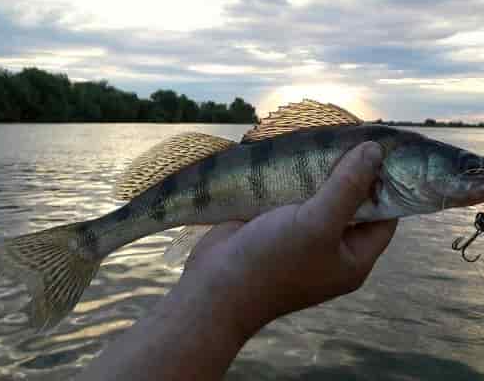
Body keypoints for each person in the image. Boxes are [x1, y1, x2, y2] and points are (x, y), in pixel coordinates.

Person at [78, 141, 399, 381]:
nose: (453, 177)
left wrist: (224, 292)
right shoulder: (372, 159)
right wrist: (237, 291)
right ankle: (83, 245)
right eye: (453, 168)